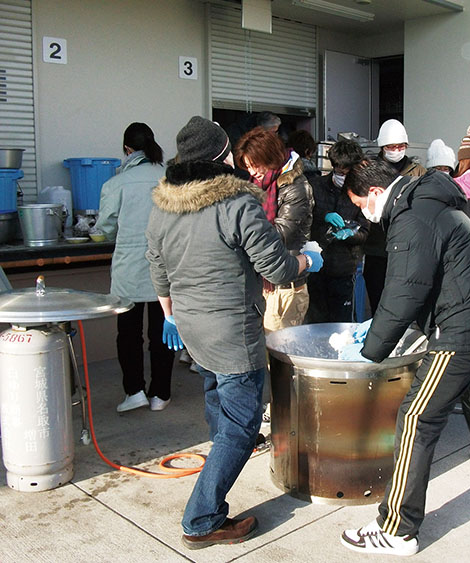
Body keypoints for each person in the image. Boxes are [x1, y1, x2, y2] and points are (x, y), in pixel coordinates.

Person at [145, 115, 322, 550]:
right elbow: (277, 268)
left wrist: (171, 316)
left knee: (218, 406)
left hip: (193, 331)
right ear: (221, 156)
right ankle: (202, 518)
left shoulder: (165, 206)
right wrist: (308, 261)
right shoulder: (236, 203)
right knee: (242, 428)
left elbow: (157, 269)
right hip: (231, 334)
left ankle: (215, 463)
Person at [339, 161, 470, 556]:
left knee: (417, 415)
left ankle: (396, 528)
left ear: (377, 193)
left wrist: (370, 352)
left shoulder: (412, 217)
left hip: (464, 328)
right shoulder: (427, 201)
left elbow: (404, 292)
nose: (363, 213)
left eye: (361, 203)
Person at [94, 122, 175, 413]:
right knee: (162, 332)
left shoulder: (115, 184)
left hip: (129, 267)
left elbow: (103, 229)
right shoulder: (169, 178)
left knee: (128, 333)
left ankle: (134, 391)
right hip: (165, 265)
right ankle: (160, 394)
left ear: (127, 150)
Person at [234, 126, 314, 331]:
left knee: (278, 353)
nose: (252, 172)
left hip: (285, 284)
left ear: (270, 157)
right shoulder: (255, 183)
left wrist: (242, 235)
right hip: (260, 281)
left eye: (255, 165)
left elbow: (280, 233)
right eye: (247, 167)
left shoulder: (295, 186)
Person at [363, 119, 426, 313]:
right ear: (383, 147)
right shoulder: (368, 170)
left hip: (407, 249)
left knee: (403, 304)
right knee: (378, 303)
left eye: (400, 146)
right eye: (391, 146)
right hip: (376, 247)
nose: (396, 150)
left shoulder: (418, 172)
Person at [306, 139, 369, 323]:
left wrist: (349, 234)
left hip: (344, 268)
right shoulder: (315, 186)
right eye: (338, 171)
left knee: (342, 323)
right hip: (316, 266)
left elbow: (364, 232)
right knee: (315, 320)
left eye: (346, 172)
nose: (342, 175)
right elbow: (304, 218)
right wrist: (324, 216)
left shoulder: (360, 192)